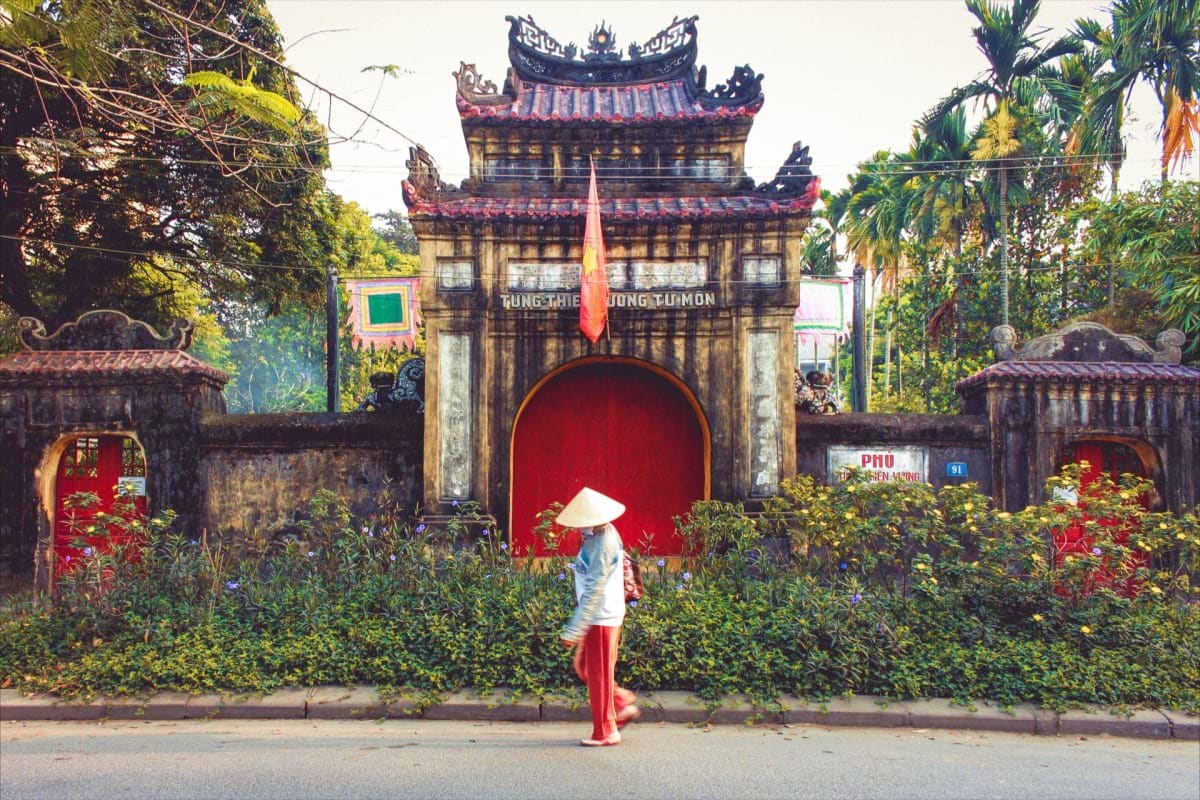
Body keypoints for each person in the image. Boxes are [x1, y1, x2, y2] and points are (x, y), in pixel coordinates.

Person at [558, 486, 641, 746]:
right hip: (600, 615)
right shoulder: (600, 534)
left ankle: (606, 730)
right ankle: (621, 704)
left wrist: (574, 628)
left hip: (601, 616)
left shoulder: (602, 543)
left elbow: (594, 589)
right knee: (585, 667)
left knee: (598, 675)